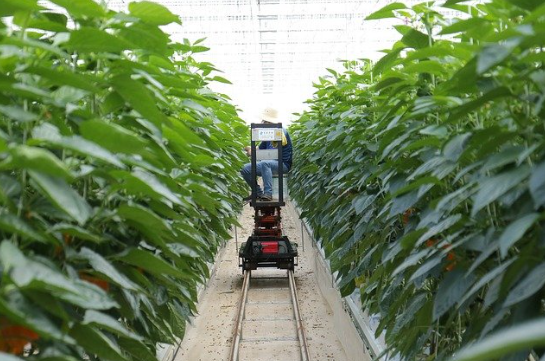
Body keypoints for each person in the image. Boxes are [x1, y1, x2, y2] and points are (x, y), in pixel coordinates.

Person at [241, 107, 293, 201]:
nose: (262, 123)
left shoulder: (281, 131)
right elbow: (258, 149)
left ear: (269, 122)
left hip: (283, 165)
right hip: (268, 165)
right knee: (245, 169)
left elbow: (282, 139)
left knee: (265, 163)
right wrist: (249, 149)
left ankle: (268, 193)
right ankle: (257, 192)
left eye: (264, 121)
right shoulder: (267, 136)